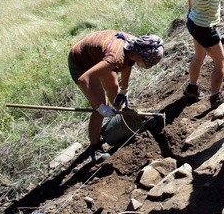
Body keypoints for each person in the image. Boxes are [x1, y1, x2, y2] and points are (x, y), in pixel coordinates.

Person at [68, 30, 164, 163]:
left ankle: (122, 121)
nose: (147, 67)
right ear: (141, 57)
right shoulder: (116, 58)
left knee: (114, 88)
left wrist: (124, 89)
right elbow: (84, 80)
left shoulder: (135, 46)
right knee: (100, 107)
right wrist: (100, 107)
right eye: (148, 64)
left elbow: (128, 63)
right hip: (81, 63)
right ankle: (95, 148)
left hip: (98, 55)